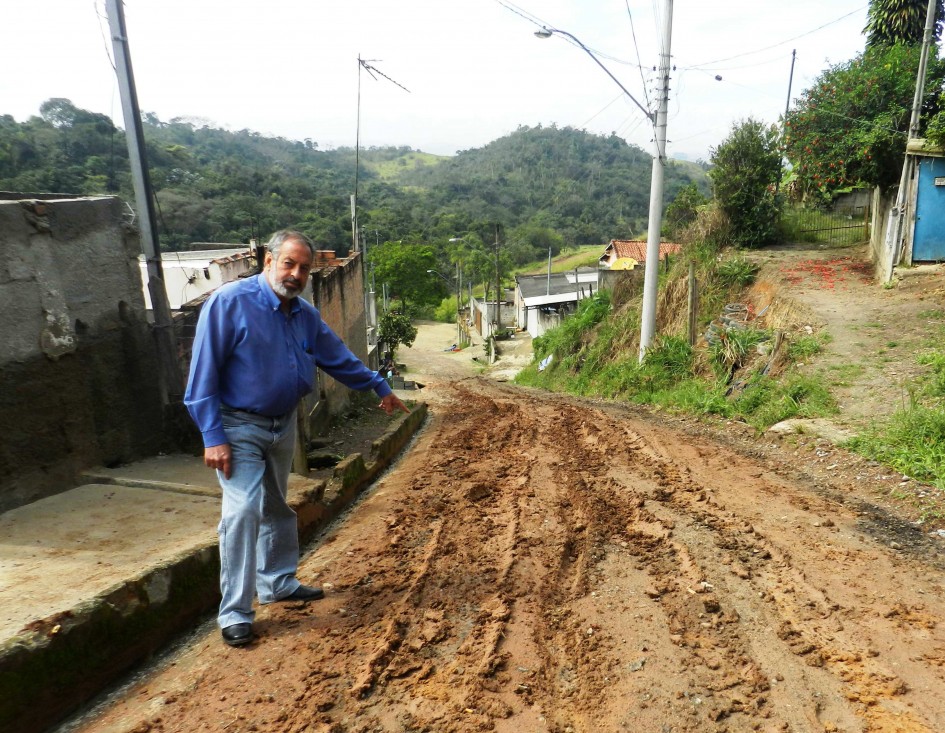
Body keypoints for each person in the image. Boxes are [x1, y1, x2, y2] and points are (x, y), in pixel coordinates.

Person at [184, 230, 409, 647]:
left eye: (304, 267)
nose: (296, 273)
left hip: (284, 424)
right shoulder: (229, 304)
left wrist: (379, 385)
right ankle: (235, 612)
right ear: (268, 261)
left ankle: (278, 583)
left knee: (276, 507)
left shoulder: (303, 314)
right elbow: (201, 378)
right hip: (237, 426)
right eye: (288, 263)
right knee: (244, 511)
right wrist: (212, 435)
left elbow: (337, 357)